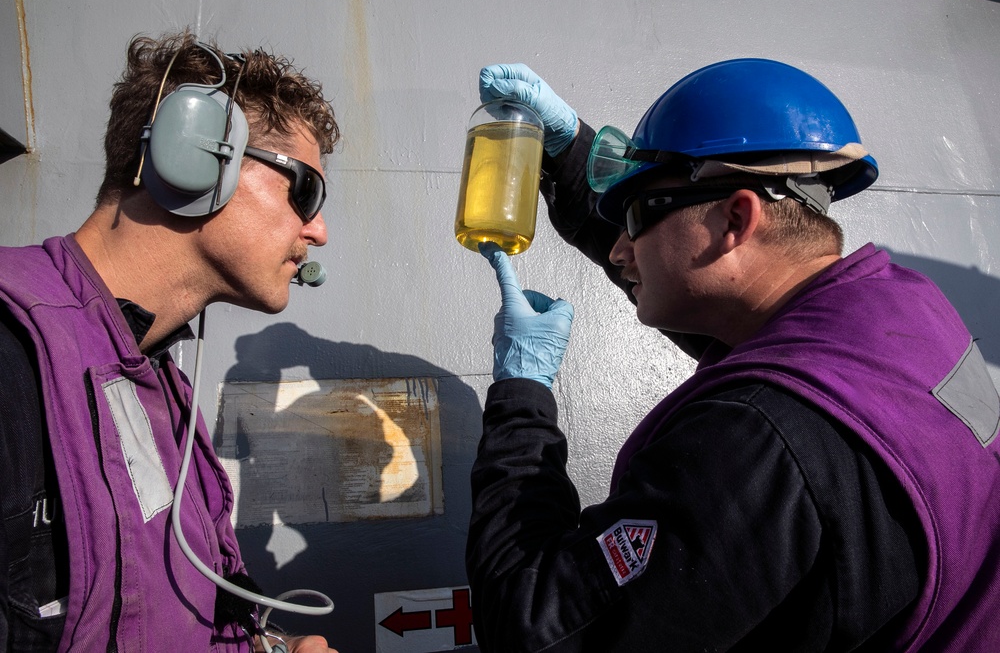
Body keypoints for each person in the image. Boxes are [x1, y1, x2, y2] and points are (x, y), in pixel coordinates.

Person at [465, 61, 1000, 652]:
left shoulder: (752, 443)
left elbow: (533, 629)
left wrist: (521, 397)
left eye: (636, 217)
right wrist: (573, 155)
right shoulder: (905, 308)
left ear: (739, 217)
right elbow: (716, 291)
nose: (619, 249)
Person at [0, 32, 340, 652]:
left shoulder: (158, 383)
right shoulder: (10, 356)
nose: (318, 230)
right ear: (198, 153)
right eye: (306, 190)